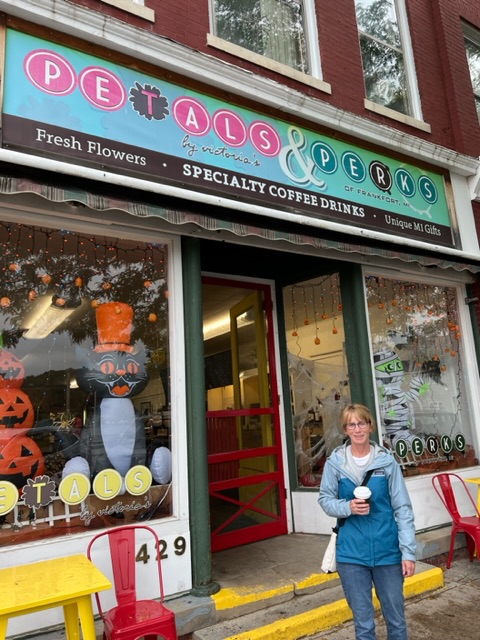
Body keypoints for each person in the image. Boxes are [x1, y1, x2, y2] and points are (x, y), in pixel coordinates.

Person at [318, 403, 416, 640]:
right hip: (351, 554)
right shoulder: (335, 463)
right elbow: (325, 500)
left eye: (362, 423)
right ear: (345, 430)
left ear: (370, 426)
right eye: (352, 425)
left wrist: (408, 552)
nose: (357, 429)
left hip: (387, 552)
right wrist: (348, 507)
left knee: (396, 620)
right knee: (363, 626)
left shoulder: (386, 462)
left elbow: (402, 508)